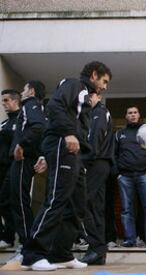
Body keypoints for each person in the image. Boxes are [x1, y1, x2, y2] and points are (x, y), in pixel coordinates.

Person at [21, 61, 112, 271]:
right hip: (64, 145)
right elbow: (54, 107)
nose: (105, 87)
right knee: (56, 199)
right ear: (94, 75)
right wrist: (68, 133)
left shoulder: (85, 95)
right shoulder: (75, 85)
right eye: (104, 81)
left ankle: (61, 254)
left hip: (75, 153)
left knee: (77, 205)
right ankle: (32, 254)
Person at [114, 106, 146, 248]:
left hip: (144, 175)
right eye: (130, 113)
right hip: (125, 177)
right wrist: (117, 173)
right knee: (126, 210)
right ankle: (130, 239)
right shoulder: (119, 134)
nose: (133, 115)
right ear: (126, 116)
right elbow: (113, 154)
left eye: (135, 112)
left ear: (139, 115)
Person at [9, 81, 47, 248]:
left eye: (24, 89)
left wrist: (21, 144)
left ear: (31, 91)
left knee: (19, 199)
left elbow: (38, 127)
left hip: (23, 158)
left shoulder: (30, 104)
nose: (22, 92)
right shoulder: (36, 107)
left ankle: (28, 242)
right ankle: (28, 240)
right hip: (26, 157)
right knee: (14, 198)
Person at [79, 93, 113, 265]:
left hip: (95, 162)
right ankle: (98, 252)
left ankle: (97, 247)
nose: (86, 100)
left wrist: (84, 161)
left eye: (89, 97)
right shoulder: (95, 112)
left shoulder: (99, 112)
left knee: (82, 203)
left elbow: (95, 137)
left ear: (98, 97)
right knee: (96, 207)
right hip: (99, 163)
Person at [0, 89, 20, 249]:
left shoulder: (21, 120)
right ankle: (4, 236)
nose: (4, 104)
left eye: (7, 100)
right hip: (1, 168)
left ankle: (9, 237)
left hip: (12, 167)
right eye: (3, 101)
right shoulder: (4, 123)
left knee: (7, 202)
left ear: (15, 101)